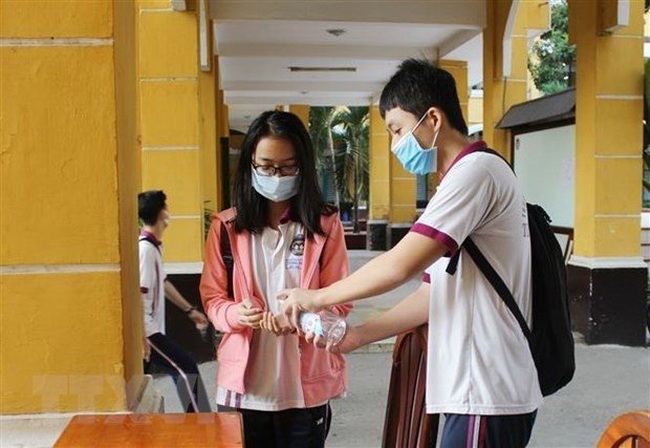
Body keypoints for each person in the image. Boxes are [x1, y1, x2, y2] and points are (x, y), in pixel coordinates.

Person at [279, 59, 541, 447]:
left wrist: (316, 295)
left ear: (433, 118)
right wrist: (358, 336)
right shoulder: (459, 182)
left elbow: (401, 263)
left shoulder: (475, 173)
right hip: (474, 389)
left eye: (397, 129)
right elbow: (430, 295)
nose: (394, 144)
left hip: (485, 388)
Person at [199, 111, 352, 448]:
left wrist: (302, 319)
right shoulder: (226, 228)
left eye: (287, 167)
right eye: (266, 166)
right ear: (250, 164)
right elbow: (213, 299)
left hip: (304, 391)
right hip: (243, 391)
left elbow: (339, 300)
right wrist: (236, 315)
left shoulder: (325, 227)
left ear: (304, 166)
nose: (276, 175)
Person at [138, 189, 212, 413]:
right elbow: (139, 295)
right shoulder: (145, 250)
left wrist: (190, 311)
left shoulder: (153, 246)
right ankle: (201, 424)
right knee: (186, 368)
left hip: (151, 330)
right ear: (162, 213)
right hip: (149, 332)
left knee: (184, 368)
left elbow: (165, 283)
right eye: (167, 207)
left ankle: (201, 422)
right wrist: (142, 337)